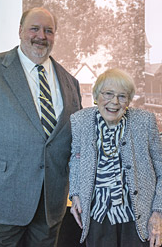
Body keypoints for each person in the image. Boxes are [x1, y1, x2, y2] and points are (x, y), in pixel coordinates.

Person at [0, 7, 82, 247]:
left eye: (49, 31)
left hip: (50, 205)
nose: (41, 36)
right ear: (20, 31)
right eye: (34, 28)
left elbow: (75, 142)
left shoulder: (70, 82)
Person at [69, 68, 162, 247]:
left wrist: (158, 211)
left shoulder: (145, 121)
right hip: (97, 214)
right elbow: (76, 158)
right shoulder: (80, 120)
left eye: (122, 96)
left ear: (128, 101)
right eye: (108, 94)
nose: (114, 102)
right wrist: (75, 193)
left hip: (137, 216)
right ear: (96, 96)